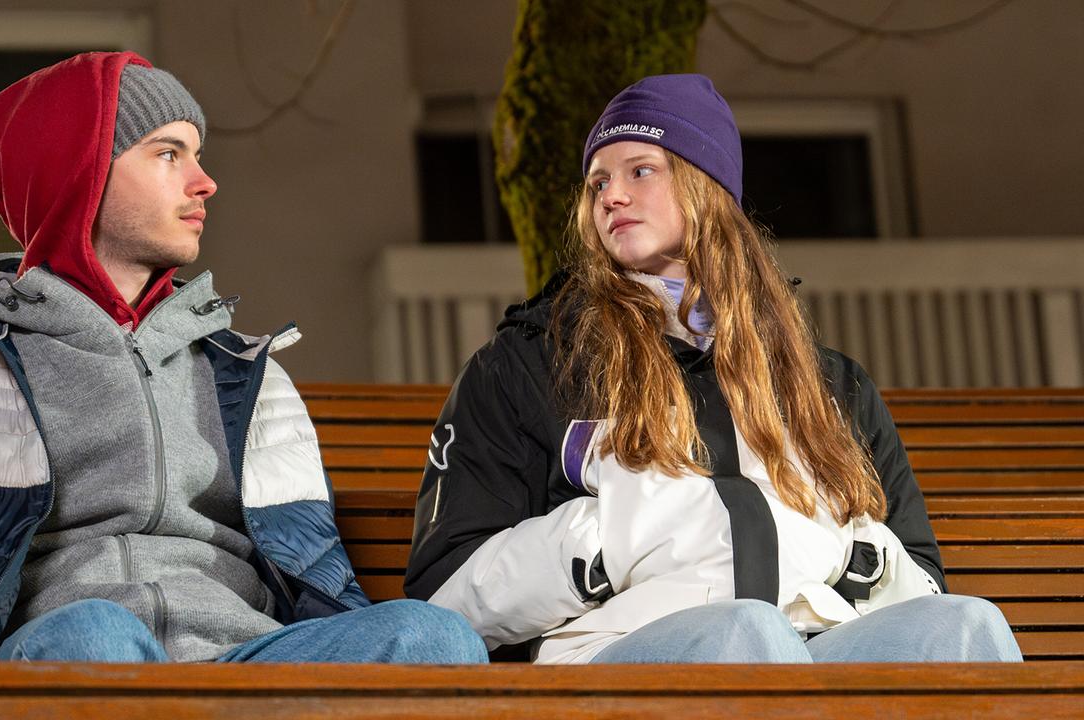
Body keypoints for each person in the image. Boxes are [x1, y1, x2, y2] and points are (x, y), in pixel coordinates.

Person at [0, 51, 486, 664]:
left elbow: (316, 575)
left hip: (246, 662)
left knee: (437, 637)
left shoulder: (250, 378)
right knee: (95, 635)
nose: (204, 182)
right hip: (67, 661)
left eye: (197, 155)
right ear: (81, 176)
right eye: (169, 154)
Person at [403, 74, 1021, 665]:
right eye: (598, 182)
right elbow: (445, 593)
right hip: (612, 649)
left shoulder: (827, 383)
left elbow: (918, 577)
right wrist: (604, 542)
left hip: (813, 641)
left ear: (706, 187)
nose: (611, 196)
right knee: (749, 633)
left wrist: (844, 548)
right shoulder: (530, 364)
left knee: (968, 627)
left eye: (640, 170)